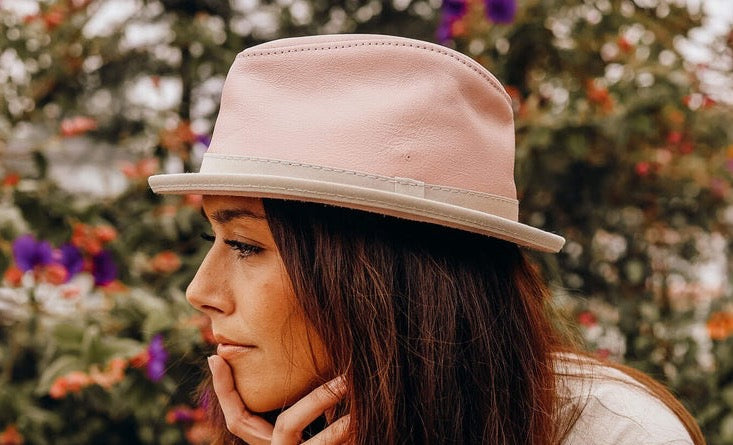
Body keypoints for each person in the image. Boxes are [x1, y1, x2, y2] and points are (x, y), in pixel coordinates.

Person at [149, 34, 705, 444]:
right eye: (211, 239)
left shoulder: (616, 434)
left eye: (246, 245)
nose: (200, 290)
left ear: (382, 276)